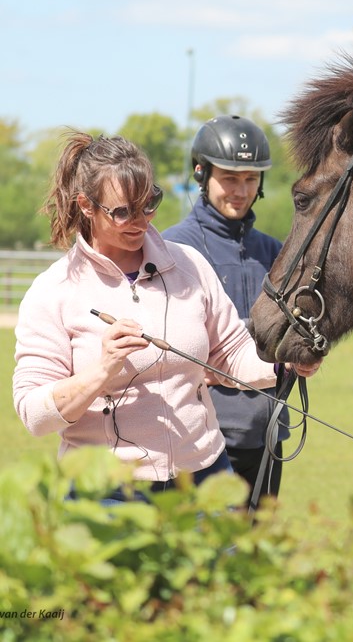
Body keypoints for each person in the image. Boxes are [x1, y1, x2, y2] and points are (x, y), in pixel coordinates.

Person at [11, 130, 317, 501]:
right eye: (122, 211)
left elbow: (232, 353)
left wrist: (285, 364)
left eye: (149, 204)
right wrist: (100, 372)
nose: (140, 222)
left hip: (203, 478)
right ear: (86, 206)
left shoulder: (189, 264)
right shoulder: (53, 290)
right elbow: (34, 415)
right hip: (107, 493)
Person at [162, 115, 289, 503]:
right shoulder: (174, 250)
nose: (241, 190)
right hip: (202, 442)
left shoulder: (275, 252)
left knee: (255, 555)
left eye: (251, 179)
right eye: (230, 178)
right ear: (202, 173)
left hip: (267, 435)